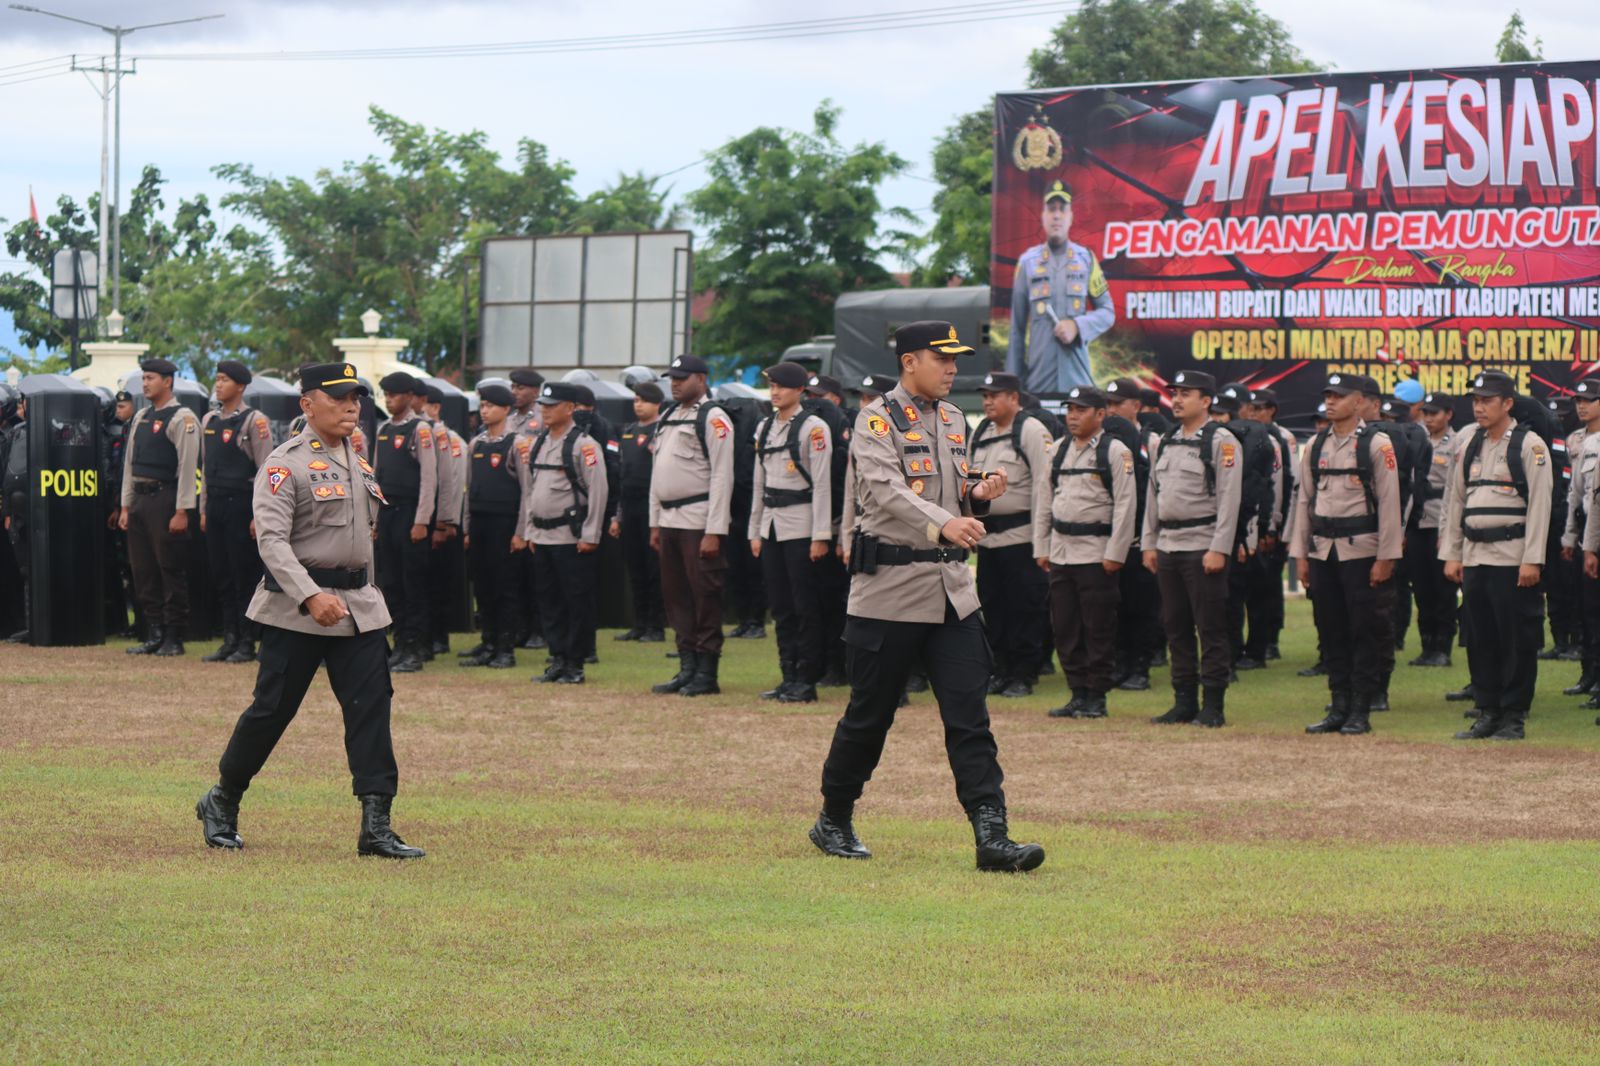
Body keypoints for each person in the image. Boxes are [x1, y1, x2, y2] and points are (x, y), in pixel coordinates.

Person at [812, 320, 1044, 872]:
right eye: (943, 359)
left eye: (955, 360)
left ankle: (993, 835)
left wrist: (976, 493)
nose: (953, 370)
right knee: (870, 716)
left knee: (970, 716)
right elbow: (889, 490)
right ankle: (834, 818)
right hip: (888, 593)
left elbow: (948, 483)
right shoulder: (874, 419)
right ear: (910, 360)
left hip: (952, 593)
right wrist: (946, 522)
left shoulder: (953, 418)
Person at [195, 361, 423, 859]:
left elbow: (363, 538)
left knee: (371, 712)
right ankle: (222, 799)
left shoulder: (358, 460)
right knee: (272, 711)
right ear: (307, 404)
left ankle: (376, 826)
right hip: (298, 608)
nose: (351, 406)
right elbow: (272, 542)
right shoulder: (284, 463)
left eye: (356, 398)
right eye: (339, 397)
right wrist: (309, 595)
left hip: (359, 607)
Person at [1443, 370, 1552, 741]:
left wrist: (1532, 559)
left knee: (1516, 637)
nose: (1479, 407)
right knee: (1480, 636)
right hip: (1475, 556)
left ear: (1508, 403)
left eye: (1487, 400)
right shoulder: (1470, 442)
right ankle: (1488, 710)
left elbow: (1540, 506)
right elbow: (1455, 499)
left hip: (1512, 557)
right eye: (1475, 400)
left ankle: (1514, 714)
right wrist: (1452, 553)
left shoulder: (1529, 444)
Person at [1292, 374, 1403, 736]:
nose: (1331, 402)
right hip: (1324, 550)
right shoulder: (1316, 444)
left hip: (1363, 551)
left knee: (1365, 630)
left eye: (1339, 396)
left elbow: (1389, 504)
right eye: (1328, 395)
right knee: (1331, 629)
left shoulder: (1376, 443)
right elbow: (1305, 501)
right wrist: (1301, 555)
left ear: (1359, 403)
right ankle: (1338, 705)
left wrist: (1386, 557)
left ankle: (1361, 708)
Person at [1143, 370, 1242, 728]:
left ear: (1207, 400)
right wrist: (1149, 541)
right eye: (1176, 392)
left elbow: (1230, 501)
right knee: (1175, 626)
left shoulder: (1222, 440)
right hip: (1168, 545)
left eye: (1187, 392)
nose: (1178, 398)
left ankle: (1213, 704)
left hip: (1202, 545)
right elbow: (1154, 496)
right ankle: (1183, 701)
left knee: (1210, 627)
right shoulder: (1165, 440)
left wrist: (1220, 548)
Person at [1035, 386, 1137, 719]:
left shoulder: (1115, 450)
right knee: (1064, 626)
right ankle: (1077, 693)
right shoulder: (1060, 449)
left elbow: (1125, 505)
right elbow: (1044, 500)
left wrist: (1115, 553)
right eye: (1070, 410)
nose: (1073, 416)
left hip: (1096, 555)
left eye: (1081, 410)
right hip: (1062, 552)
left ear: (1100, 414)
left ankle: (1097, 696)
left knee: (1098, 627)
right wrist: (1041, 546)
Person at [649, 355, 735, 697]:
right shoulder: (669, 415)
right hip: (669, 519)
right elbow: (658, 473)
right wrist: (654, 522)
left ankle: (706, 671)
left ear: (701, 378)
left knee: (704, 595)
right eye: (672, 377)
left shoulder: (713, 417)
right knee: (676, 596)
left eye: (682, 378)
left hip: (698, 518)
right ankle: (686, 667)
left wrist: (715, 530)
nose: (675, 383)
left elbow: (722, 475)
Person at [748, 361, 834, 703]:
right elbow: (759, 482)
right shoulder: (765, 427)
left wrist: (821, 535)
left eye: (782, 386)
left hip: (801, 524)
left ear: (800, 390)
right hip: (771, 524)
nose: (775, 392)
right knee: (780, 607)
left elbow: (824, 484)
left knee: (805, 607)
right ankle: (787, 675)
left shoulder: (814, 428)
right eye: (771, 386)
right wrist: (755, 530)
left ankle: (806, 679)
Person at [518, 382, 609, 684]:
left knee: (576, 601)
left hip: (571, 537)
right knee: (549, 601)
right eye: (543, 404)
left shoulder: (585, 445)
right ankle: (557, 657)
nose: (545, 410)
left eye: (552, 405)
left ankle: (575, 662)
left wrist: (591, 534)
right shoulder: (539, 442)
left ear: (570, 408)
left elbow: (598, 492)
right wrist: (529, 530)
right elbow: (530, 490)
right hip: (542, 536)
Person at [969, 371, 1052, 696]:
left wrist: (1042, 540)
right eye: (985, 395)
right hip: (989, 540)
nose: (988, 400)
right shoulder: (982, 431)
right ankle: (1001, 669)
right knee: (993, 606)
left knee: (1025, 608)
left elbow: (1044, 487)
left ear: (1014, 398)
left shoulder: (1030, 430)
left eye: (996, 394)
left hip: (1022, 538)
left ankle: (1024, 673)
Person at [120, 358, 202, 657]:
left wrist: (182, 510)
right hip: (140, 500)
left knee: (169, 568)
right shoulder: (141, 416)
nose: (145, 383)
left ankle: (174, 636)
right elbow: (129, 465)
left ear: (167, 381)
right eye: (143, 378)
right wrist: (126, 506)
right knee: (143, 570)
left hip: (165, 499)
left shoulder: (183, 418)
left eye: (150, 378)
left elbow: (187, 466)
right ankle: (153, 632)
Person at [1005, 180, 1115, 394]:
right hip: (1038, 384)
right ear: (1043, 216)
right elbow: (1017, 330)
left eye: (1062, 209)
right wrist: (1013, 387)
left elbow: (1108, 312)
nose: (1056, 215)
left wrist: (1077, 326)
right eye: (1051, 209)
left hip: (1078, 383)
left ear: (1071, 216)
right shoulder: (1027, 263)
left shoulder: (1087, 259)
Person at [199, 361, 275, 664]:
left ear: (240, 386)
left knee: (243, 574)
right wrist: (204, 507)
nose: (218, 385)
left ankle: (247, 641)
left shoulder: (254, 421)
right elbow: (205, 469)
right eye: (217, 379)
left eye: (225, 380)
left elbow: (266, 470)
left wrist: (260, 514)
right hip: (216, 503)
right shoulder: (209, 419)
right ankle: (229, 638)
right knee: (222, 573)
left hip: (242, 504)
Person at [373, 372, 438, 673]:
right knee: (393, 583)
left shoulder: (421, 429)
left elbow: (428, 478)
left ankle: (415, 646)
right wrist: (374, 519)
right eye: (385, 395)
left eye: (394, 395)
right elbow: (375, 477)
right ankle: (400, 643)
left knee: (414, 584)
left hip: (411, 513)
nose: (389, 400)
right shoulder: (384, 429)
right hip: (388, 512)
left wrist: (422, 520)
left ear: (409, 397)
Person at [459, 384, 524, 669]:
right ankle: (488, 642)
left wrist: (521, 531)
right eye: (482, 406)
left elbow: (528, 491)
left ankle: (505, 648)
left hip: (505, 524)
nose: (484, 411)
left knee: (505, 587)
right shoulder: (477, 444)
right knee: (483, 586)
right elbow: (469, 488)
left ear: (506, 409)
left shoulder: (517, 443)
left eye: (490, 406)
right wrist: (467, 528)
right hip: (481, 523)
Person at [612, 381, 666, 642]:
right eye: (635, 400)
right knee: (635, 567)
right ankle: (640, 623)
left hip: (652, 505)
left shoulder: (662, 431)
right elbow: (621, 474)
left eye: (643, 400)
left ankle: (656, 625)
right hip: (630, 505)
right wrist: (617, 515)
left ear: (657, 404)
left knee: (653, 567)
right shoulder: (628, 432)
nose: (638, 405)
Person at [1408, 392, 1458, 667]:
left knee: (1443, 588)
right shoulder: (1417, 440)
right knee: (1422, 587)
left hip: (1442, 520)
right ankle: (1426, 645)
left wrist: (1449, 530)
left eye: (1434, 413)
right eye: (1425, 413)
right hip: (1418, 519)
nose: (1428, 418)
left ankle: (1443, 647)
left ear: (1448, 414)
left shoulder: (1457, 442)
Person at [1246, 387, 1296, 660]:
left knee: (1269, 585)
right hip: (1251, 524)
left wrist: (1278, 527)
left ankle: (1271, 639)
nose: (1255, 413)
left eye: (1260, 408)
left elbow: (1287, 483)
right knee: (1252, 586)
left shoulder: (1282, 437)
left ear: (1271, 410)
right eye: (1251, 408)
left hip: (1273, 523)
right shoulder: (1242, 435)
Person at [1567, 382, 1600, 705]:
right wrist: (1570, 536)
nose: (1582, 406)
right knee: (1587, 609)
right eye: (1579, 400)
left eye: (1589, 400)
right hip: (1589, 532)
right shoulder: (1578, 440)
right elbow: (1577, 493)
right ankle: (1589, 673)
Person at [1, 391, 28, 642]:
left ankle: (15, 622)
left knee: (11, 568)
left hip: (7, 507)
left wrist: (7, 510)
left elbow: (9, 477)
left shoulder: (14, 435)